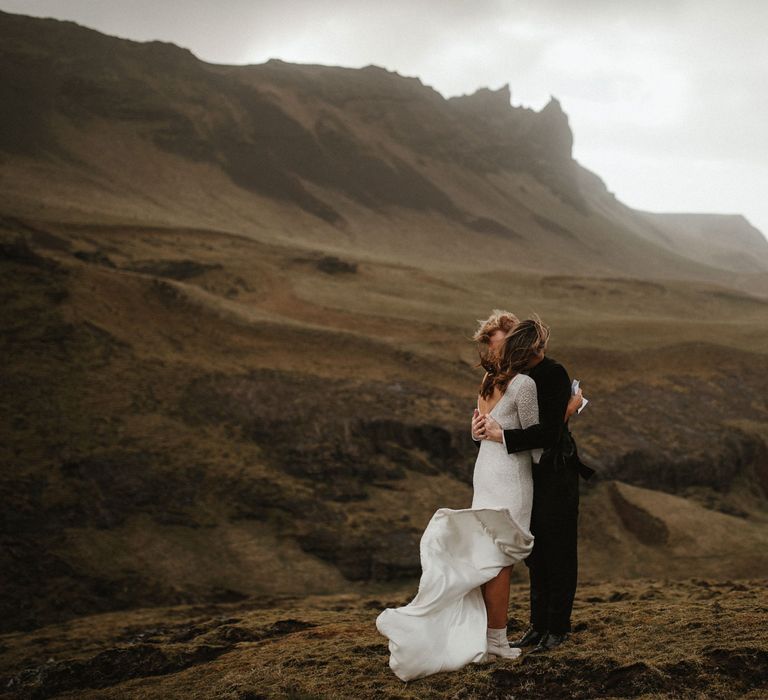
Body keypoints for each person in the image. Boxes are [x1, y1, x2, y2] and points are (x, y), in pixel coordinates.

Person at [375, 315, 544, 681]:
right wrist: (567, 412)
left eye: (498, 344)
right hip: (508, 478)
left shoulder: (489, 381)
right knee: (499, 560)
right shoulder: (524, 384)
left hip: (486, 473)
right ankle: (495, 639)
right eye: (493, 344)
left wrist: (484, 432)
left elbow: (489, 430)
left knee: (491, 557)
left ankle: (489, 634)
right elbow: (537, 449)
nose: (496, 351)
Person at [474, 314, 594, 654]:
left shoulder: (552, 373)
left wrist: (503, 434)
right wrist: (486, 433)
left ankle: (558, 627)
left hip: (555, 473)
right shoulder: (518, 376)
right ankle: (538, 625)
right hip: (527, 476)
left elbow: (549, 433)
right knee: (536, 554)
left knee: (559, 551)